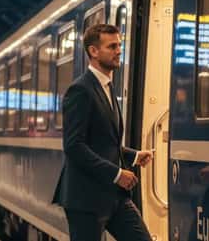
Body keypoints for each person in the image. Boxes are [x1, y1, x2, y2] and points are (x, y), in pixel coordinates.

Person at [51, 24, 154, 241]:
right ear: (94, 51)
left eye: (119, 45)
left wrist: (134, 155)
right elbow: (74, 146)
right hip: (86, 199)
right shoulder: (80, 90)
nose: (119, 51)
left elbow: (103, 141)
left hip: (115, 197)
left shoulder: (107, 87)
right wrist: (117, 174)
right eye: (112, 46)